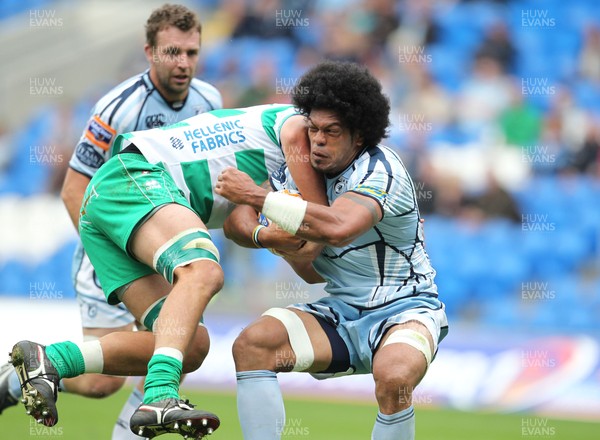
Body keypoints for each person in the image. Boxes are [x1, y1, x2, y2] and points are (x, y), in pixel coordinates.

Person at [9, 102, 326, 439]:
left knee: (192, 346)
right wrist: (320, 238)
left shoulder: (292, 141)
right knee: (203, 271)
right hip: (137, 178)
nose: (323, 139)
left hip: (112, 199)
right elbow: (318, 227)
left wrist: (272, 237)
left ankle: (50, 359)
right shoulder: (300, 129)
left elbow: (238, 224)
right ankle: (160, 395)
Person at [0, 4, 222, 439]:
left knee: (171, 339)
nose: (183, 63)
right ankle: (15, 380)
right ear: (149, 52)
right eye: (172, 52)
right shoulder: (118, 107)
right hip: (113, 250)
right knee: (105, 381)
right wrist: (111, 253)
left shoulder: (208, 102)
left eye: (192, 53)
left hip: (163, 243)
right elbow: (73, 189)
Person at [214, 61, 449, 440]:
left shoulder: (380, 169)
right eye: (312, 130)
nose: (318, 140)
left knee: (393, 377)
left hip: (406, 309)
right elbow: (234, 223)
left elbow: (338, 228)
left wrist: (258, 196)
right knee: (252, 344)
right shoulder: (297, 169)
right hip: (341, 312)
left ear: (358, 137)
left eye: (331, 132)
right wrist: (270, 238)